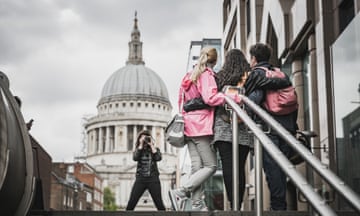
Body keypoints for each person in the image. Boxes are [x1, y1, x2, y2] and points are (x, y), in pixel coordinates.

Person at [213, 49, 289, 209]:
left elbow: (212, 100)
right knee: (240, 168)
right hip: (244, 126)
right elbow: (261, 95)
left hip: (223, 126)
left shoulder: (219, 76)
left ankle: (234, 205)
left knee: (228, 167)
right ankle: (238, 205)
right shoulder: (250, 75)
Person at [168, 46, 242, 211]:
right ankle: (181, 191)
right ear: (214, 61)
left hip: (188, 125)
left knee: (197, 166)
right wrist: (231, 97)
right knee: (211, 166)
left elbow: (182, 104)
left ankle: (196, 204)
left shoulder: (189, 76)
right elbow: (210, 98)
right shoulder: (206, 74)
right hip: (201, 126)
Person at [245, 43, 298, 210]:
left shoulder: (257, 74)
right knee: (282, 167)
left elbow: (254, 100)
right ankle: (280, 205)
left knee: (272, 168)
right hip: (286, 125)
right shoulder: (280, 73)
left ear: (253, 59)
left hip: (269, 127)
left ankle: (278, 207)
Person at [126, 130, 166, 211]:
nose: (145, 140)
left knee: (159, 204)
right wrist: (140, 145)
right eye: (143, 138)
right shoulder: (138, 150)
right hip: (140, 179)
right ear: (139, 139)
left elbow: (158, 158)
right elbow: (135, 158)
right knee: (131, 203)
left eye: (147, 138)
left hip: (153, 179)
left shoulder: (155, 149)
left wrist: (151, 145)